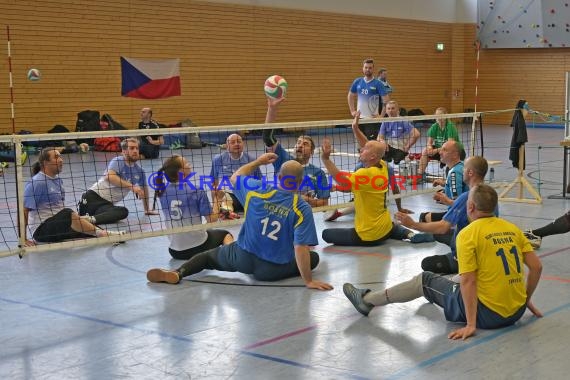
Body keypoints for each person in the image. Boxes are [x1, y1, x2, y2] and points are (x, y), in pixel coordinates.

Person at [343, 184, 543, 340]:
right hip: (516, 312)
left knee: (425, 279)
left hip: (488, 316)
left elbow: (469, 281)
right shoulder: (512, 228)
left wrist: (471, 324)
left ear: (470, 207)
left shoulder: (468, 234)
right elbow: (536, 267)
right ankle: (439, 293)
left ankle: (367, 300)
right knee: (457, 277)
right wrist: (524, 300)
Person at [146, 153, 333, 290]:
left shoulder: (257, 190)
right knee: (313, 258)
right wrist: (308, 281)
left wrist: (259, 161)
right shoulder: (301, 208)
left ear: (278, 178)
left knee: (208, 257)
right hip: (270, 270)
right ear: (301, 183)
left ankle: (179, 272)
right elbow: (301, 248)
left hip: (242, 256)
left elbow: (236, 176)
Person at [319, 112, 433, 246]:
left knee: (326, 235)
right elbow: (370, 146)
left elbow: (343, 182)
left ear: (372, 156)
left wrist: (326, 159)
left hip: (368, 235)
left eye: (364, 150)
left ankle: (406, 234)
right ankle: (410, 234)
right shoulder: (382, 166)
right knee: (391, 227)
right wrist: (355, 129)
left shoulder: (365, 173)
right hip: (385, 227)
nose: (361, 150)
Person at [395, 156, 491, 274]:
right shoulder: (489, 194)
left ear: (470, 172)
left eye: (464, 168)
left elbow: (443, 227)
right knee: (438, 232)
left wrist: (413, 224)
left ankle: (456, 258)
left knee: (427, 263)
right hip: (484, 246)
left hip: (469, 257)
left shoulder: (467, 197)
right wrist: (448, 202)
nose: (462, 171)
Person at [23, 148, 123, 245]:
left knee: (86, 230)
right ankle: (103, 234)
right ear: (45, 163)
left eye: (60, 157)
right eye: (56, 157)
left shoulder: (58, 181)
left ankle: (108, 235)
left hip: (59, 225)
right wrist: (23, 239)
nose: (61, 160)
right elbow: (24, 211)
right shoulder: (37, 182)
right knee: (68, 213)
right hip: (41, 231)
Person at [155, 155, 234, 260]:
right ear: (181, 172)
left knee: (204, 229)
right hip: (197, 248)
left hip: (175, 251)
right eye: (187, 163)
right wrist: (217, 199)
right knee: (225, 234)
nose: (190, 165)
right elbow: (212, 220)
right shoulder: (196, 191)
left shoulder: (162, 191)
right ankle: (233, 257)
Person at [263, 98, 330, 207]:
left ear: (312, 152)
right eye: (298, 142)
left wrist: (305, 200)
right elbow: (267, 137)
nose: (300, 145)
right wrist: (272, 108)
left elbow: (324, 204)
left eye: (305, 144)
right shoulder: (283, 159)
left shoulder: (318, 173)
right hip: (278, 209)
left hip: (301, 214)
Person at [79, 138, 158, 225]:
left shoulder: (139, 171)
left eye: (137, 148)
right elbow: (110, 177)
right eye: (131, 148)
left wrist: (146, 209)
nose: (135, 151)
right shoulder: (118, 161)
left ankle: (89, 220)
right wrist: (132, 187)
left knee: (123, 212)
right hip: (92, 198)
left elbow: (144, 189)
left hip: (106, 205)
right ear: (123, 151)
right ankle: (86, 220)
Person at [209, 133, 261, 219]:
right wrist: (215, 201)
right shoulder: (218, 159)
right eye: (233, 142)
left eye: (239, 141)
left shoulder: (251, 160)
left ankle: (227, 212)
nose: (236, 144)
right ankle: (226, 211)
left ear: (243, 144)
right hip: (229, 195)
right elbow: (213, 182)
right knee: (220, 192)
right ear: (227, 146)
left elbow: (259, 182)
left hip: (246, 195)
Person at [420, 140, 468, 224]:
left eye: (444, 150)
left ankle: (443, 235)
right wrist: (444, 184)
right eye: (441, 149)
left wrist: (443, 199)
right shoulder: (461, 166)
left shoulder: (454, 173)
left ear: (455, 155)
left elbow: (458, 204)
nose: (440, 153)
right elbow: (460, 187)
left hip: (459, 216)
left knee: (423, 217)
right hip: (466, 212)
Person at [348, 58, 390, 139]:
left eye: (370, 68)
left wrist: (381, 116)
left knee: (371, 144)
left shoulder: (378, 83)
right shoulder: (357, 81)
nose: (368, 69)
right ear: (363, 68)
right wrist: (352, 111)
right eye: (366, 67)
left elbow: (386, 100)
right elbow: (350, 96)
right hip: (359, 119)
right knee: (360, 145)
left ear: (373, 69)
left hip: (372, 120)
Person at [417, 107, 463, 179]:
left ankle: (450, 178)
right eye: (437, 116)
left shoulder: (450, 127)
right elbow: (429, 142)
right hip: (441, 150)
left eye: (441, 116)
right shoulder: (434, 127)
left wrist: (435, 150)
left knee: (448, 153)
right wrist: (429, 148)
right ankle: (420, 175)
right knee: (425, 151)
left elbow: (449, 146)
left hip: (454, 151)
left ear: (446, 116)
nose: (439, 118)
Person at [377, 100, 420, 164]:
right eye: (388, 109)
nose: (390, 110)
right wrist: (383, 141)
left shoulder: (403, 121)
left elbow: (416, 134)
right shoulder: (385, 121)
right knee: (379, 154)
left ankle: (405, 156)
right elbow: (379, 137)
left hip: (400, 148)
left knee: (398, 163)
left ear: (398, 110)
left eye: (393, 108)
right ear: (386, 111)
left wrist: (407, 146)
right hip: (389, 148)